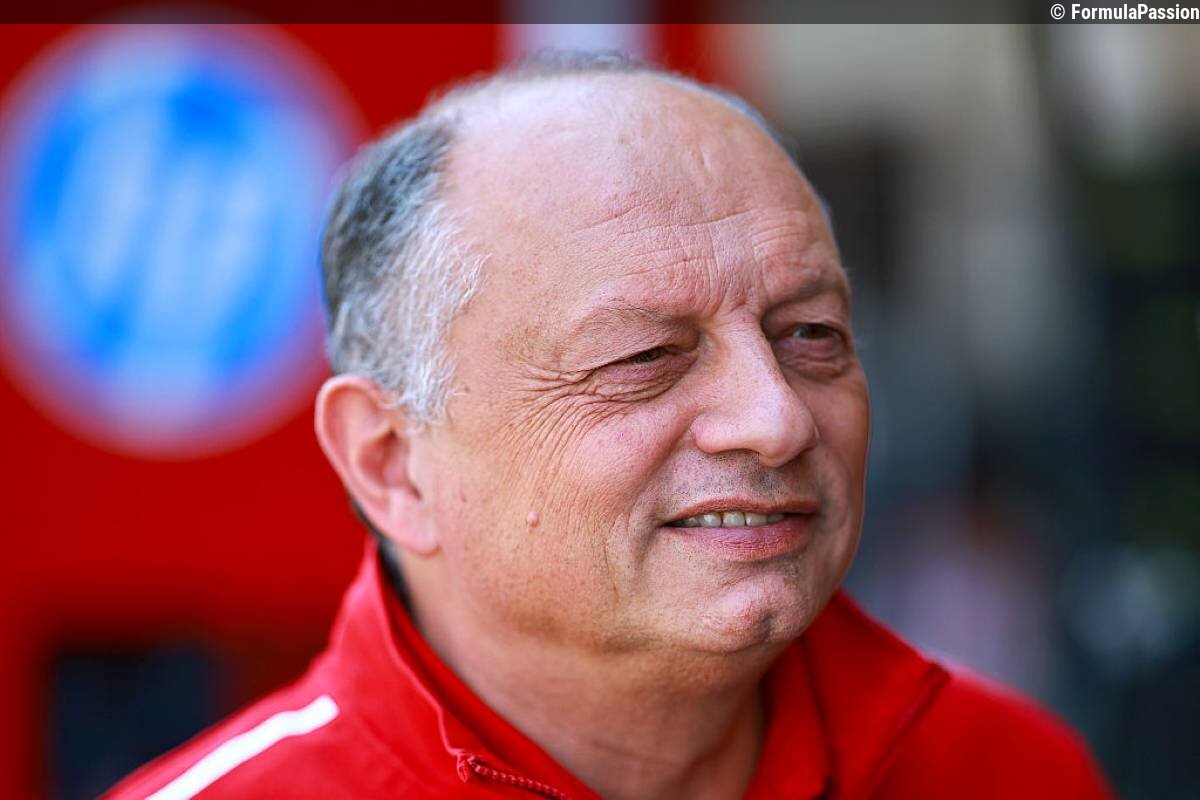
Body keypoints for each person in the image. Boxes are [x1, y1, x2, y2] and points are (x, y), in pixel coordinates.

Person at [107, 52, 1112, 800]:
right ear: (392, 462)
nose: (775, 420)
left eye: (811, 334)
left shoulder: (1006, 771)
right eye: (645, 357)